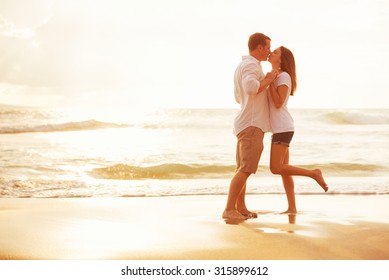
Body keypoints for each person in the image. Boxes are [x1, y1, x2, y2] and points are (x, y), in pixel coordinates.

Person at [222, 33, 278, 220]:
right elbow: (250, 87)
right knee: (246, 169)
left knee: (243, 168)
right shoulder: (251, 65)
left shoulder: (244, 65)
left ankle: (240, 207)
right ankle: (229, 209)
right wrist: (269, 79)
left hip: (246, 122)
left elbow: (239, 96)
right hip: (252, 124)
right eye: (268, 47)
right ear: (259, 47)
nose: (270, 51)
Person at [267, 46, 328, 214]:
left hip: (283, 128)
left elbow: (279, 103)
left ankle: (313, 173)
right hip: (280, 128)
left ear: (281, 59)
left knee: (276, 168)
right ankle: (292, 208)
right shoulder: (277, 76)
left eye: (276, 52)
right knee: (285, 170)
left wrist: (270, 82)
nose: (271, 52)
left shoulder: (283, 76)